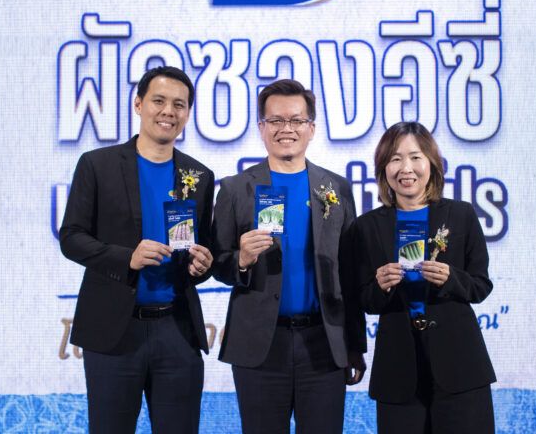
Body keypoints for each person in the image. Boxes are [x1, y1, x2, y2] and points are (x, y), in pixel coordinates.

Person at [59, 66, 215, 433]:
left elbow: (199, 251)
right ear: (138, 104)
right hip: (113, 331)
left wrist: (202, 266)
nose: (168, 111)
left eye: (179, 104)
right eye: (159, 101)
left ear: (187, 113)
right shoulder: (97, 165)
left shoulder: (199, 176)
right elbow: (71, 237)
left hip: (177, 330)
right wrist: (126, 258)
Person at [212, 79, 366, 434]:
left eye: (296, 120)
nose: (287, 129)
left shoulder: (337, 188)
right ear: (261, 127)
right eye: (276, 121)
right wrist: (241, 260)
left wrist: (354, 345)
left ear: (311, 128)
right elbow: (217, 262)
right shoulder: (235, 189)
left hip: (323, 343)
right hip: (260, 347)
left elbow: (350, 273)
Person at [354, 121, 496, 433]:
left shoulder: (461, 215)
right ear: (383, 169)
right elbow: (362, 299)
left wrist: (451, 279)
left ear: (431, 163)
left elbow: (481, 285)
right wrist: (380, 285)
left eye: (415, 157)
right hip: (397, 368)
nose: (406, 168)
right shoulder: (367, 226)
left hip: (460, 364)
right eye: (395, 159)